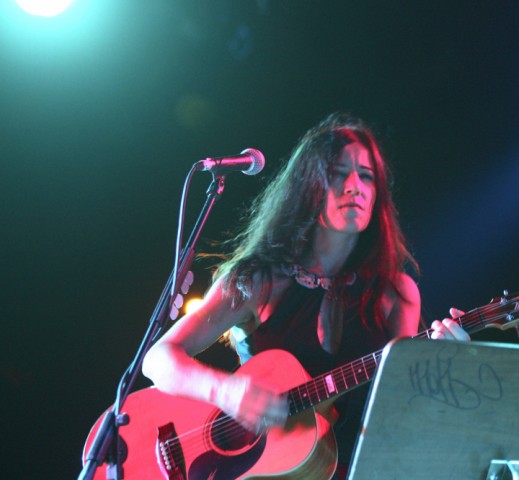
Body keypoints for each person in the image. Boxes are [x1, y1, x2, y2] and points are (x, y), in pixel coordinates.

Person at [142, 113, 470, 479]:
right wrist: (224, 392)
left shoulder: (396, 293)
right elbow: (157, 359)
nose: (354, 186)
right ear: (308, 185)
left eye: (366, 176)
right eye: (338, 173)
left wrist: (444, 366)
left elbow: (403, 406)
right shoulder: (258, 279)